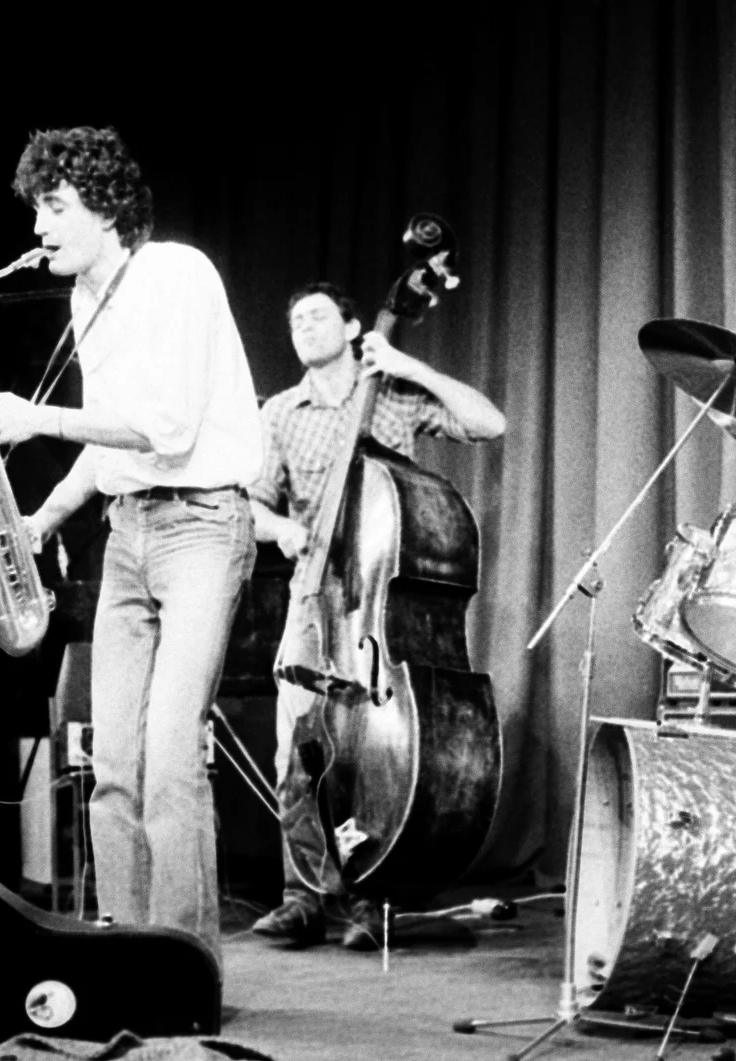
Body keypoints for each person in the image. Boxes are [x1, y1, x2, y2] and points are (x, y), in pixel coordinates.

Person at [0, 126, 263, 956]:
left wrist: (34, 417)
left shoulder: (176, 273)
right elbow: (109, 442)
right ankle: (126, 955)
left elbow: (167, 426)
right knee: (113, 765)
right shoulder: (86, 302)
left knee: (170, 758)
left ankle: (183, 966)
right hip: (127, 531)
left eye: (55, 207)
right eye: (36, 209)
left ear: (106, 207)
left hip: (203, 528)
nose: (38, 228)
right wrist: (41, 518)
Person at [247, 281, 505, 950]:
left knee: (373, 752)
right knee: (298, 750)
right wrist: (280, 529)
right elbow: (252, 503)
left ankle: (370, 892)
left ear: (353, 327)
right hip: (312, 599)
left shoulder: (393, 395)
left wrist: (409, 365)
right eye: (295, 319)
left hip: (376, 606)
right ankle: (303, 897)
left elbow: (489, 424)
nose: (303, 326)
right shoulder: (280, 412)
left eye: (316, 315)